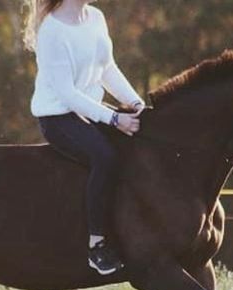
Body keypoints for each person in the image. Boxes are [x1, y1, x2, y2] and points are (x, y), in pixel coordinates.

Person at [25, 0, 145, 275]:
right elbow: (67, 93)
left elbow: (108, 69)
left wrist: (135, 103)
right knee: (105, 159)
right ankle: (97, 244)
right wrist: (114, 119)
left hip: (91, 110)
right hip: (59, 116)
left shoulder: (95, 17)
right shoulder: (51, 31)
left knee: (142, 145)